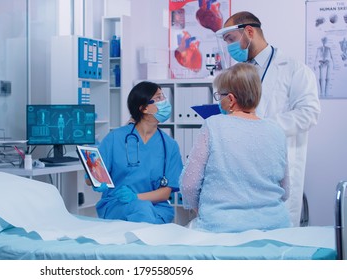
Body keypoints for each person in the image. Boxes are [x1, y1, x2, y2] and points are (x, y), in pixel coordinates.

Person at [215, 11, 321, 227]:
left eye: (231, 40)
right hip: (240, 164)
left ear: (250, 32)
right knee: (243, 234)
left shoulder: (294, 69)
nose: (229, 48)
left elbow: (309, 113)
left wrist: (262, 126)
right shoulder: (236, 73)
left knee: (277, 235)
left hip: (276, 164)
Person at [180, 63, 291, 233]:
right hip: (275, 227)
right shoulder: (277, 130)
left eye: (220, 96)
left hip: (222, 228)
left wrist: (200, 209)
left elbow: (189, 185)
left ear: (231, 99)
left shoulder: (214, 125)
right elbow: (285, 192)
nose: (219, 101)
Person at [86, 81, 183, 224]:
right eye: (159, 98)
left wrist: (136, 197)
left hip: (156, 208)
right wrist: (95, 181)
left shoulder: (169, 145)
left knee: (144, 211)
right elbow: (91, 179)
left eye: (163, 97)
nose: (165, 102)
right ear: (144, 108)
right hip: (118, 205)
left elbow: (165, 192)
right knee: (142, 212)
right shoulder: (115, 138)